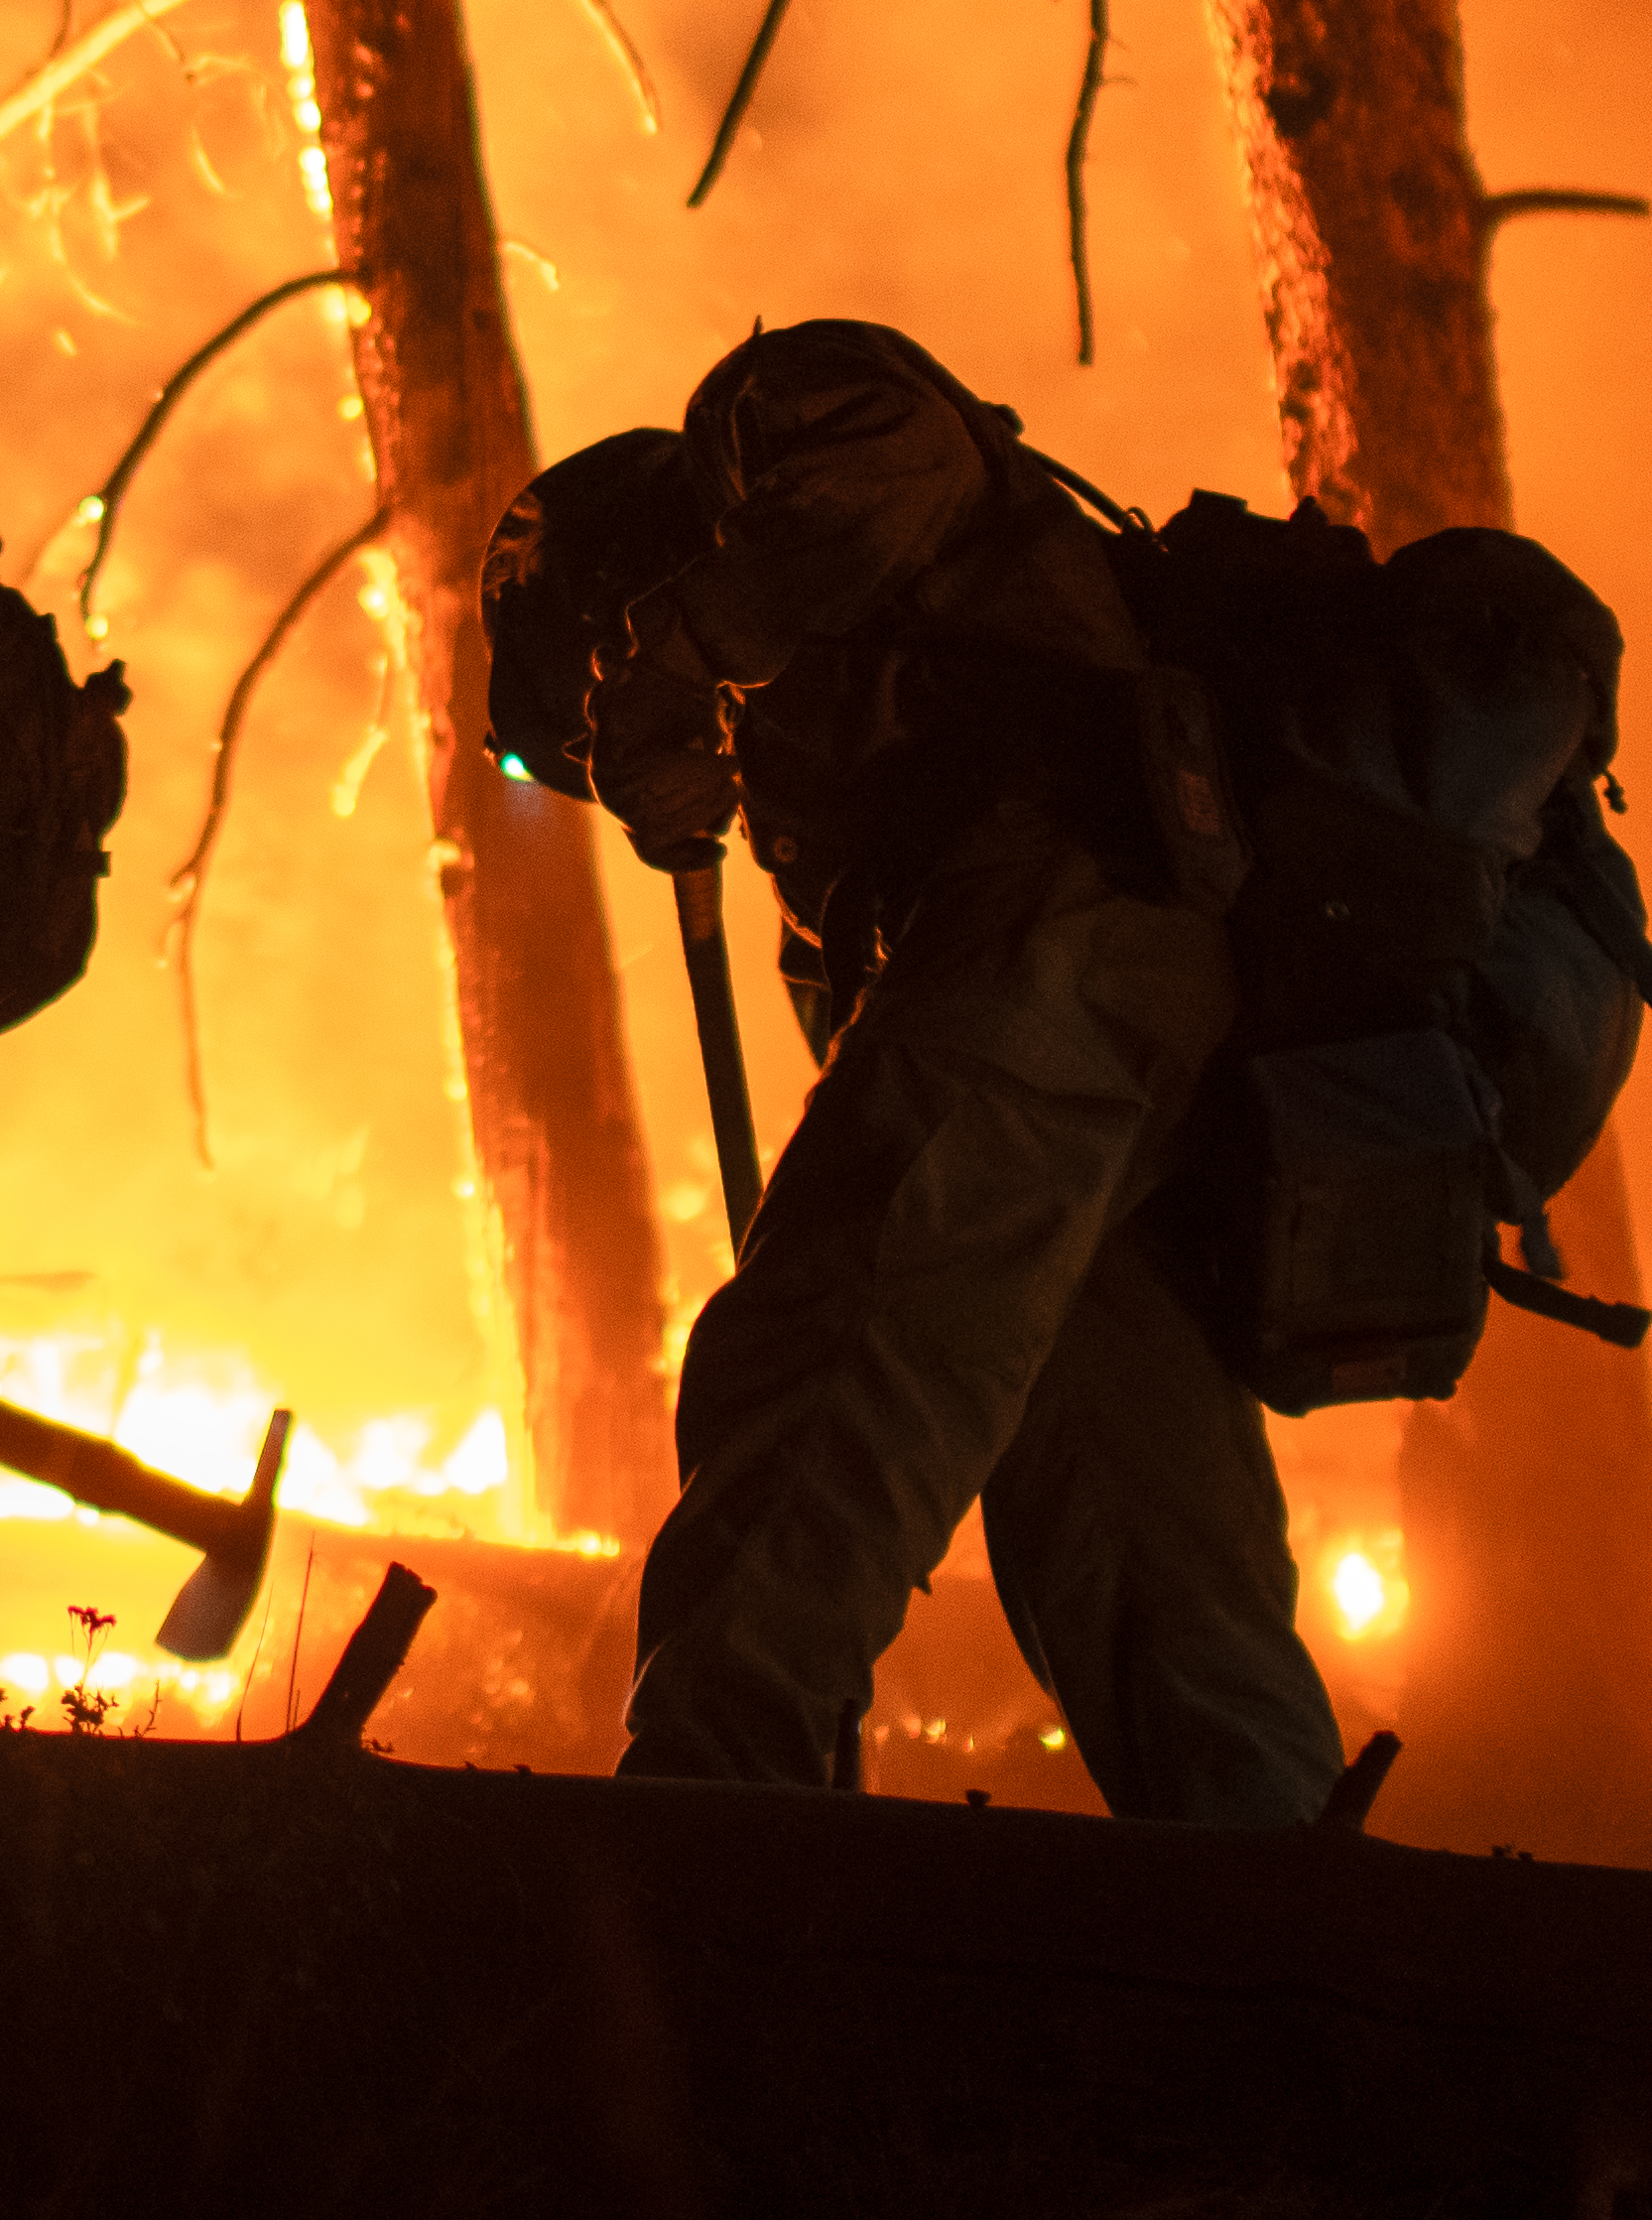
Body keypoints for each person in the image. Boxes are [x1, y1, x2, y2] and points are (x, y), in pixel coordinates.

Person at [486, 318, 1345, 1823]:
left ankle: (707, 1832)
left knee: (822, 1353)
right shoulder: (832, 767)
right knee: (1123, 1503)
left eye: (591, 711)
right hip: (1116, 1003)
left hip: (1052, 929)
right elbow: (865, 1015)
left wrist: (674, 664)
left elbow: (887, 461)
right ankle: (1267, 1905)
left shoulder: (767, 404)